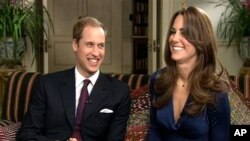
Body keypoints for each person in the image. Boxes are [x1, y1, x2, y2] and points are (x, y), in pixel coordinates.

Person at [16, 16, 131, 141]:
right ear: (75, 45)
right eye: (89, 44)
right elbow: (26, 134)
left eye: (101, 46)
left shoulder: (120, 91)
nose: (96, 53)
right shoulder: (47, 84)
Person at [147, 6, 230, 141]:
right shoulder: (158, 79)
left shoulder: (216, 94)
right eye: (173, 32)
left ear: (202, 41)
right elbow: (154, 129)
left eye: (184, 33)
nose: (174, 39)